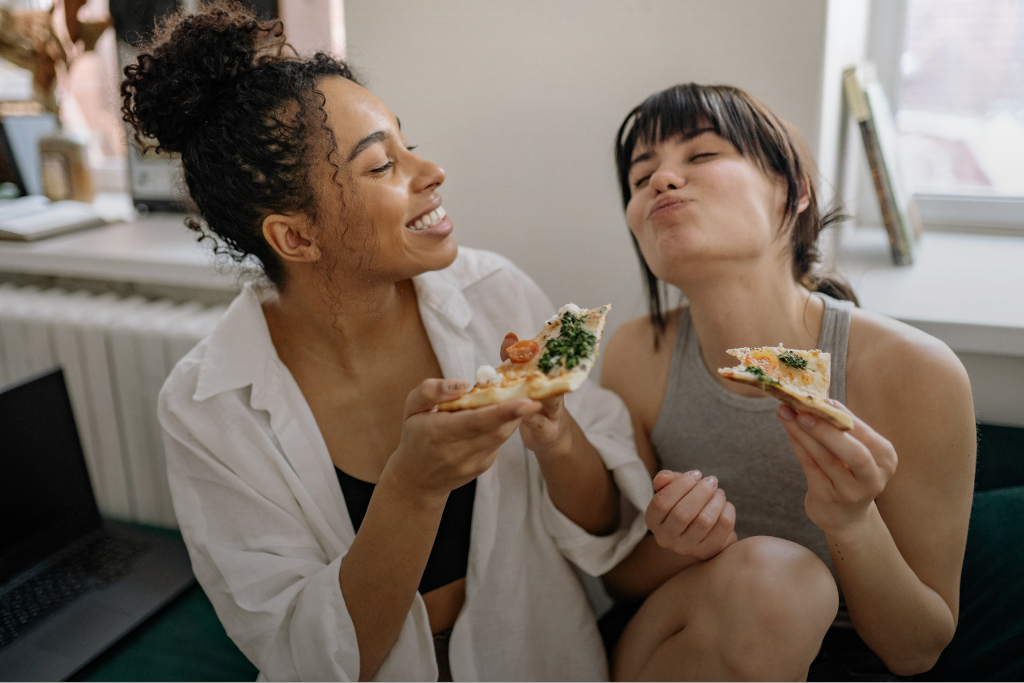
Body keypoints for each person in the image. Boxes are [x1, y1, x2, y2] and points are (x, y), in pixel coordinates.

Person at [126, 3, 653, 680]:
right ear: (296, 236)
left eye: (408, 143)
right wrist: (413, 487)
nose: (431, 171)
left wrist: (554, 435)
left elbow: (609, 527)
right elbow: (309, 658)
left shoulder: (495, 295)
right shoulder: (207, 406)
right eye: (381, 166)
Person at [599, 83, 976, 680]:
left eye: (701, 155)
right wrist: (680, 547)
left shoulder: (917, 371)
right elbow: (617, 582)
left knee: (784, 581)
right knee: (776, 579)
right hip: (678, 638)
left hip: (847, 656)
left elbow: (917, 649)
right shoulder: (633, 354)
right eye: (641, 176)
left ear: (794, 192)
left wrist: (850, 520)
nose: (661, 181)